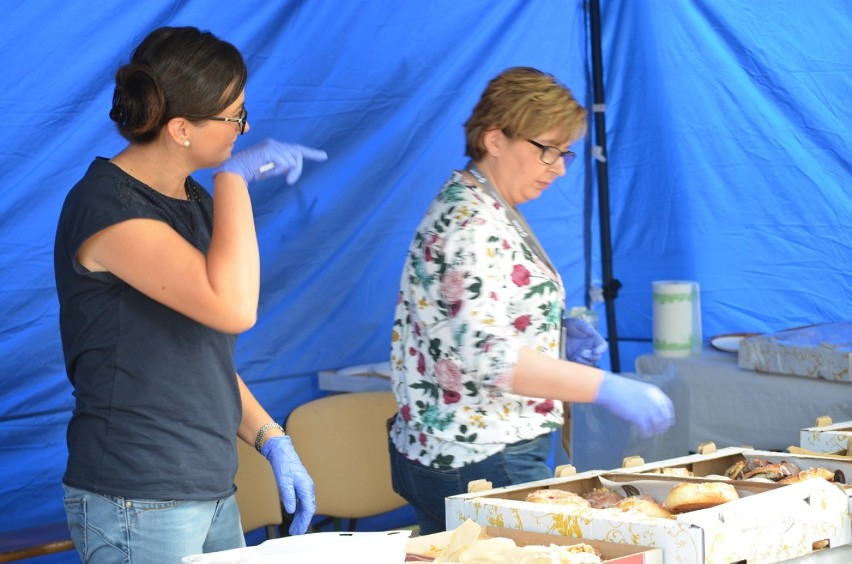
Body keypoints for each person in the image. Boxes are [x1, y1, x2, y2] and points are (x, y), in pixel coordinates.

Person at [53, 26, 327, 562]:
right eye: (235, 116)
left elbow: (197, 357)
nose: (246, 128)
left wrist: (271, 437)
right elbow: (234, 308)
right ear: (181, 128)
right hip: (137, 496)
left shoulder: (193, 201)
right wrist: (236, 183)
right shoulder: (107, 207)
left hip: (209, 486)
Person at [387, 67, 674, 534]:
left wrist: (554, 338)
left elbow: (477, 323)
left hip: (461, 447)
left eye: (565, 154)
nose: (559, 168)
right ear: (494, 138)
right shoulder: (472, 223)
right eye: (547, 150)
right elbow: (490, 358)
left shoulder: (485, 204)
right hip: (481, 454)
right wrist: (603, 385)